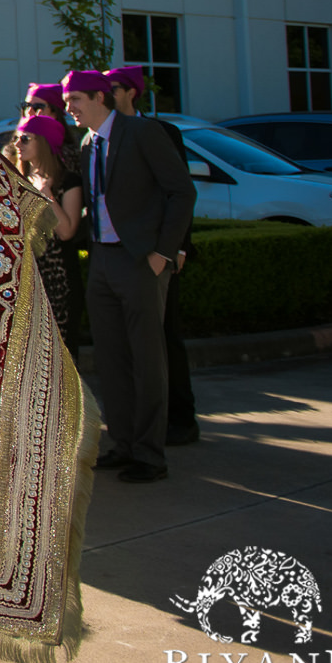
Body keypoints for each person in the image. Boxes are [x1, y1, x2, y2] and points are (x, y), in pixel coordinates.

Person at [63, 69, 194, 484]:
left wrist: (164, 252)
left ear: (100, 98)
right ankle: (122, 443)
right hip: (102, 259)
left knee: (147, 357)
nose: (70, 109)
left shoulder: (142, 133)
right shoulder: (87, 145)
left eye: (76, 100)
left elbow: (181, 191)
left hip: (141, 260)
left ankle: (150, 454)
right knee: (112, 357)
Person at [108, 64, 199, 445]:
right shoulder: (104, 137)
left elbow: (178, 193)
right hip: (122, 255)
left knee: (167, 337)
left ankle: (181, 419)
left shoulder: (162, 132)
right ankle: (137, 428)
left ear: (131, 92)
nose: (105, 95)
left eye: (111, 88)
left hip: (158, 253)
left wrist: (173, 247)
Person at [5, 114, 83, 340]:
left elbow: (67, 231)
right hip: (25, 280)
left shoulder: (67, 182)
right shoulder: (17, 181)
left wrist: (47, 194)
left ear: (45, 142)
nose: (17, 144)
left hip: (58, 281)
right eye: (18, 138)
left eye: (26, 139)